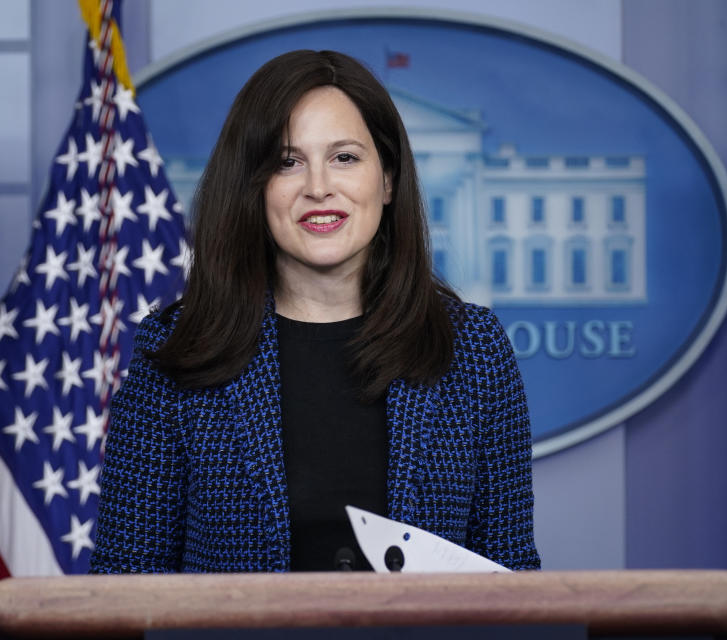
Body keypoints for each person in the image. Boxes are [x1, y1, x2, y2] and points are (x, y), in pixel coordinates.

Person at [89, 49, 540, 573]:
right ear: (253, 187)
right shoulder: (175, 353)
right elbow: (124, 583)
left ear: (388, 180)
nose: (319, 187)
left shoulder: (474, 349)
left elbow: (512, 578)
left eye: (345, 157)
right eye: (288, 161)